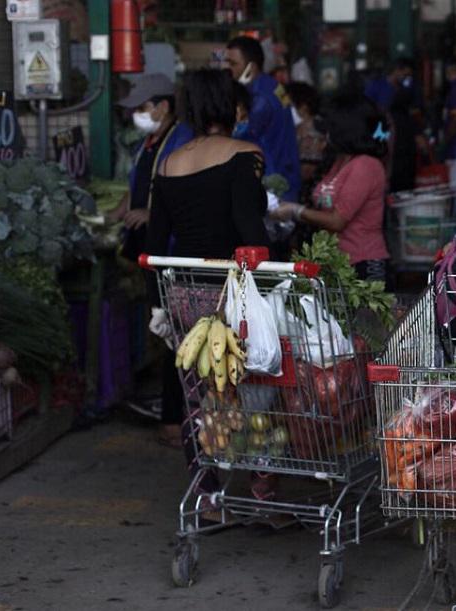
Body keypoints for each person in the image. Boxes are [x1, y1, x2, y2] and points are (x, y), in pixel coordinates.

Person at [145, 69, 272, 507]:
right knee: (256, 389)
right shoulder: (244, 153)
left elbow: (153, 244)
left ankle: (206, 495)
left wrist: (155, 307)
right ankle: (262, 492)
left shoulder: (169, 164)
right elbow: (251, 230)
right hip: (233, 294)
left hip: (183, 297)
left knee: (197, 395)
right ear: (228, 106)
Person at [110, 73, 194, 444]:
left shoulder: (181, 140)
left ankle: (176, 421)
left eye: (143, 108)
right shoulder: (151, 141)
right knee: (166, 334)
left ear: (163, 106)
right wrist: (122, 209)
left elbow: (179, 195)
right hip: (152, 251)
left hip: (172, 252)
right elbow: (141, 186)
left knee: (177, 337)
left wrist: (151, 215)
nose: (137, 115)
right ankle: (172, 414)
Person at [272, 93, 391, 282]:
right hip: (337, 262)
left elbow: (337, 221)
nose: (326, 133)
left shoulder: (366, 165)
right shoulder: (340, 161)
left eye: (330, 127)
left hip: (363, 264)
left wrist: (296, 211)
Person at [225, 35, 301, 203]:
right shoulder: (275, 86)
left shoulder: (258, 99)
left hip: (270, 181)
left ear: (251, 67)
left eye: (233, 64)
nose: (228, 69)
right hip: (285, 172)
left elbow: (238, 136)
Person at [284, 81, 326, 186]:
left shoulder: (314, 130)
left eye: (289, 105)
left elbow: (308, 170)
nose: (286, 109)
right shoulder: (297, 128)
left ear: (304, 106)